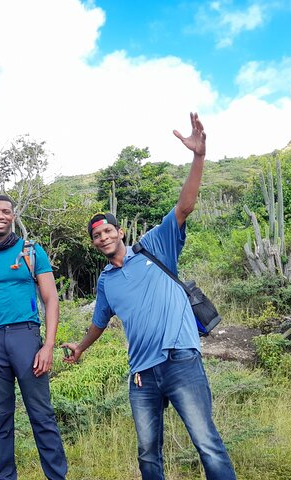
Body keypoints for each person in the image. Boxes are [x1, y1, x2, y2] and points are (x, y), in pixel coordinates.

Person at [62, 113, 236, 480]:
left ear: (120, 231)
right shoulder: (106, 281)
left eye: (108, 230)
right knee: (147, 455)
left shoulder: (156, 244)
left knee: (207, 443)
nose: (104, 237)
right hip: (141, 375)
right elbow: (98, 324)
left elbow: (185, 206)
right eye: (97, 235)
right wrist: (79, 348)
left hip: (180, 361)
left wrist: (199, 156)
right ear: (94, 243)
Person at [0, 194, 68, 480]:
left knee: (41, 414)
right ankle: (5, 476)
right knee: (1, 418)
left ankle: (57, 476)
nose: (0, 215)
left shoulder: (32, 252)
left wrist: (48, 345)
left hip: (27, 336)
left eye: (5, 212)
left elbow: (51, 299)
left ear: (12, 216)